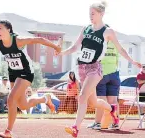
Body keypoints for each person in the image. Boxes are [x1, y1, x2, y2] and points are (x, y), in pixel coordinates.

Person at [0, 20, 61, 137]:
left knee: (11, 99)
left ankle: (8, 131)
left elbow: (39, 40)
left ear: (8, 30)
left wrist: (56, 47)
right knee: (23, 105)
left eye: (0, 28)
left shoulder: (18, 41)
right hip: (13, 73)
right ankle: (45, 99)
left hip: (26, 72)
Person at [58, 1, 141, 137]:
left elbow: (120, 49)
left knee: (82, 96)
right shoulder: (85, 28)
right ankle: (111, 108)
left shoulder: (107, 31)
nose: (90, 16)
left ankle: (75, 128)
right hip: (82, 68)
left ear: (101, 14)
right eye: (89, 13)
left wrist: (132, 61)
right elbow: (74, 47)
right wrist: (61, 53)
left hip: (95, 68)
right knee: (93, 102)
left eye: (93, 13)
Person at [87, 34, 121, 130]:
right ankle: (115, 123)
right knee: (113, 101)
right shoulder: (115, 44)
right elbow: (117, 60)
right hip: (114, 73)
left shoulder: (99, 43)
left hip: (101, 73)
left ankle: (97, 123)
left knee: (100, 99)